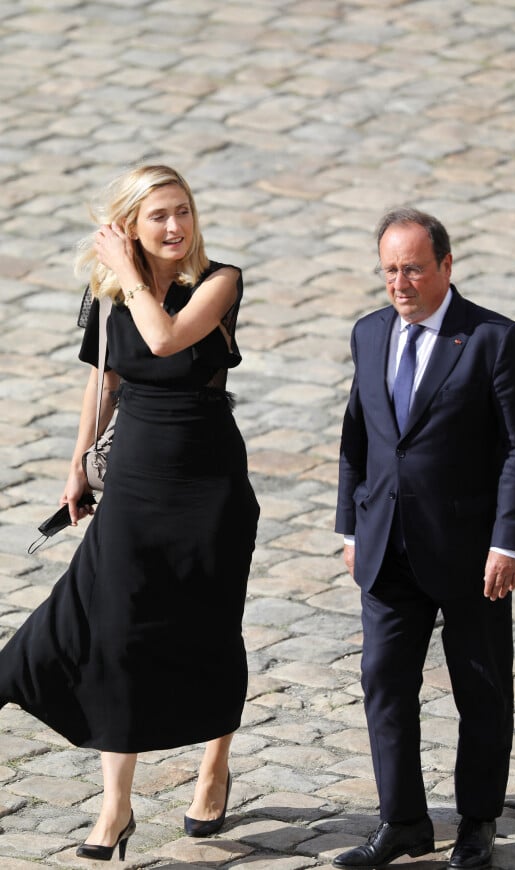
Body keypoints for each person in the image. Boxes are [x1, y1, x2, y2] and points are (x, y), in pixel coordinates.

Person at [0, 164, 260, 861]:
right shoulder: (110, 296)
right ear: (131, 225)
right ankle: (114, 808)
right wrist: (77, 463)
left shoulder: (220, 283)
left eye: (184, 212)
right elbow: (104, 379)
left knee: (208, 628)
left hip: (208, 488)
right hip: (135, 484)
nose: (176, 227)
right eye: (159, 217)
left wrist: (131, 273)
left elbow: (167, 338)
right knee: (115, 634)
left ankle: (213, 768)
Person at [333, 208, 515, 870]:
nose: (400, 283)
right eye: (390, 270)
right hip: (386, 545)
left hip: (470, 552)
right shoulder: (369, 334)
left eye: (413, 269)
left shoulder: (492, 339)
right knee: (383, 681)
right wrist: (349, 523)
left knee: (480, 685)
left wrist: (509, 544)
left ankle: (477, 823)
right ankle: (402, 821)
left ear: (446, 267)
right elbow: (357, 436)